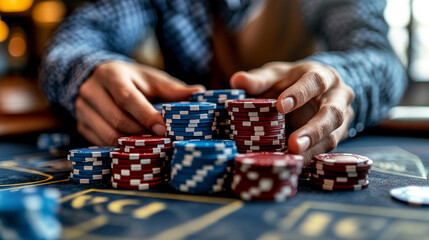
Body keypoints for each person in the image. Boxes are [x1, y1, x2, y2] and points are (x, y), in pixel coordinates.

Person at [40, 0, 407, 162]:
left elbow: (380, 57)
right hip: (182, 157)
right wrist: (87, 70)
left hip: (296, 149)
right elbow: (76, 38)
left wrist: (340, 80)